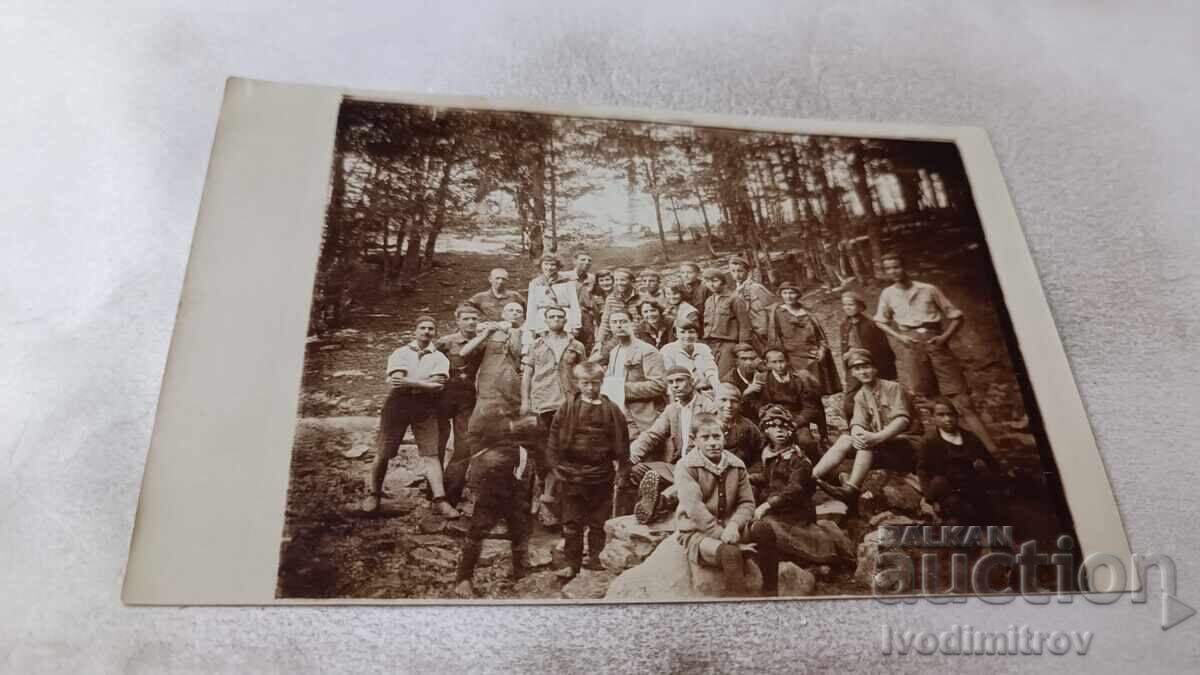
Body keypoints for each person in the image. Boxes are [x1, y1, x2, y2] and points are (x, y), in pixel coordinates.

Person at [873, 252, 998, 454]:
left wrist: (945, 337)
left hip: (936, 344)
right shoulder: (888, 294)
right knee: (928, 399)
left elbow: (956, 316)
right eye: (888, 269)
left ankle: (992, 452)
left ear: (904, 267)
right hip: (912, 348)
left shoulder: (928, 289)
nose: (893, 272)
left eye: (896, 267)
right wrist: (900, 337)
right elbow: (880, 320)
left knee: (962, 400)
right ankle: (949, 450)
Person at [673, 412, 780, 597]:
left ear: (724, 436)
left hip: (730, 527)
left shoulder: (736, 465)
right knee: (731, 554)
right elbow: (694, 509)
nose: (713, 442)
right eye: (705, 438)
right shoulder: (686, 467)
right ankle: (734, 605)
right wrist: (722, 535)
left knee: (765, 530)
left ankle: (770, 593)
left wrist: (733, 525)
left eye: (717, 436)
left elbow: (747, 502)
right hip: (698, 532)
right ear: (694, 439)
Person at [364, 316, 457, 518]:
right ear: (415, 331)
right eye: (422, 328)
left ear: (434, 333)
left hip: (425, 406)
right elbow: (397, 382)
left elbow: (438, 385)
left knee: (431, 453)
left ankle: (440, 501)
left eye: (431, 329)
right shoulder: (401, 353)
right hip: (397, 404)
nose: (426, 332)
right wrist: (425, 382)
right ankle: (374, 494)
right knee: (384, 450)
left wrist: (411, 381)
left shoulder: (439, 357)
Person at [812, 348, 924, 514]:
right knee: (845, 439)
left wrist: (875, 437)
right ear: (852, 373)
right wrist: (858, 433)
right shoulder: (861, 395)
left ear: (875, 368)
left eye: (866, 366)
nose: (863, 371)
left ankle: (851, 489)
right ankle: (810, 478)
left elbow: (902, 421)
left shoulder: (893, 388)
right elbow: (857, 423)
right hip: (885, 446)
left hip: (907, 445)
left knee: (866, 444)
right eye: (857, 368)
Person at [545, 362, 630, 578]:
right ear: (577, 383)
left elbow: (623, 441)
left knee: (598, 521)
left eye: (595, 383)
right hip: (571, 474)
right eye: (585, 383)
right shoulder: (568, 406)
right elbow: (554, 436)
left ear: (602, 383)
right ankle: (572, 564)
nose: (591, 388)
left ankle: (595, 559)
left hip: (601, 475)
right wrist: (556, 466)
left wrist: (622, 470)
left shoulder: (611, 409)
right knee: (572, 522)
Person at [454, 413, 539, 598]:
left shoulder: (526, 444)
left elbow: (538, 452)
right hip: (491, 487)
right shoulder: (494, 413)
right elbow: (478, 434)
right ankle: (464, 577)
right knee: (478, 530)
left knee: (520, 529)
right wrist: (512, 426)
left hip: (517, 488)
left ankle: (520, 570)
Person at [591, 309, 667, 515]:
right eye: (614, 322)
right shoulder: (615, 352)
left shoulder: (647, 351)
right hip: (621, 419)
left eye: (623, 321)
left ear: (633, 323)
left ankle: (648, 515)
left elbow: (659, 385)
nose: (618, 326)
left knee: (644, 469)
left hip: (643, 419)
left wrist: (622, 389)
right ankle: (621, 518)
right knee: (622, 471)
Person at [750, 406, 845, 565]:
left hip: (795, 511)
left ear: (791, 431)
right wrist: (749, 478)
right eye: (773, 426)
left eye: (784, 427)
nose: (779, 431)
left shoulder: (799, 459)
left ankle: (809, 557)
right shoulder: (770, 453)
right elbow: (767, 477)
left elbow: (795, 489)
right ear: (765, 430)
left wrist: (767, 505)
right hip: (776, 504)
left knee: (768, 526)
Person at [521, 305, 587, 517]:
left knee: (562, 449)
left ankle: (551, 498)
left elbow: (583, 374)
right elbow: (527, 375)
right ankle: (540, 491)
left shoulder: (576, 345)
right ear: (546, 320)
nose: (556, 319)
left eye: (560, 316)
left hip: (567, 403)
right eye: (552, 317)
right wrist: (525, 401)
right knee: (540, 450)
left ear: (565, 320)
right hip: (541, 402)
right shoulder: (536, 345)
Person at [628, 367, 717, 523]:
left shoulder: (708, 407)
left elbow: (710, 444)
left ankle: (658, 504)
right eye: (671, 382)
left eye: (680, 380)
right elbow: (652, 435)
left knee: (685, 483)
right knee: (636, 469)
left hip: (701, 467)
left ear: (692, 381)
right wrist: (630, 457)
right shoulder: (672, 409)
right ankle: (656, 501)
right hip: (677, 466)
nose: (675, 385)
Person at [918, 396, 1000, 524]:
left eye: (951, 415)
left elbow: (990, 462)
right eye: (941, 415)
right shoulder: (930, 441)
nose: (947, 419)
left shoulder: (970, 438)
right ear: (933, 418)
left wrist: (987, 472)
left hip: (971, 486)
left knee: (989, 514)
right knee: (955, 517)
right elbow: (923, 470)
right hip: (947, 490)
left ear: (957, 417)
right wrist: (930, 499)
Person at [434, 304, 485, 507]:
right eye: (466, 319)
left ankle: (452, 492)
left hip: (468, 399)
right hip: (443, 397)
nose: (471, 322)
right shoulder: (446, 342)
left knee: (464, 445)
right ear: (457, 321)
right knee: (437, 442)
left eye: (474, 318)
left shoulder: (483, 342)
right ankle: (433, 489)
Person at [767, 281, 840, 397]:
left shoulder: (807, 312)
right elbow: (775, 338)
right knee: (799, 391)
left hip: (812, 357)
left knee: (815, 392)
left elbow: (820, 336)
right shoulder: (777, 313)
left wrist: (822, 350)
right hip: (792, 358)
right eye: (785, 293)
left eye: (792, 293)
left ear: (798, 294)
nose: (788, 296)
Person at [837, 290, 897, 423]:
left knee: (880, 397)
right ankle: (853, 426)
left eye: (851, 305)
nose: (847, 308)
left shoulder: (871, 324)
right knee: (849, 400)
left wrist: (887, 372)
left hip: (872, 366)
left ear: (859, 306)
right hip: (854, 367)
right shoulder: (844, 326)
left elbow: (884, 349)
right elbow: (844, 350)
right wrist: (847, 366)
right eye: (845, 305)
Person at [759, 348, 828, 460]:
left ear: (787, 361)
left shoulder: (801, 378)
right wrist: (769, 418)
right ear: (767, 364)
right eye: (774, 362)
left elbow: (810, 408)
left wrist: (795, 423)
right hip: (773, 418)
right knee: (762, 441)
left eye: (781, 361)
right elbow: (761, 405)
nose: (779, 366)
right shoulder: (763, 379)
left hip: (797, 418)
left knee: (806, 441)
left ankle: (814, 467)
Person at [461, 301, 525, 420]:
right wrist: (485, 333)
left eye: (519, 311)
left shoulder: (527, 334)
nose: (514, 313)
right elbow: (464, 352)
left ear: (523, 317)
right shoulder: (490, 330)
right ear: (503, 314)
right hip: (489, 382)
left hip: (513, 383)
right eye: (510, 310)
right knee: (486, 417)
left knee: (511, 417)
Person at [702, 267, 752, 377]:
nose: (711, 285)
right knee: (709, 375)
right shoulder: (709, 301)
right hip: (710, 344)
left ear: (723, 282)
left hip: (728, 344)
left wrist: (742, 348)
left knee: (724, 376)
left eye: (715, 281)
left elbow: (745, 326)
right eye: (708, 281)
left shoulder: (734, 299)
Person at [728, 254, 777, 351]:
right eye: (733, 271)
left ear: (747, 271)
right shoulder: (735, 292)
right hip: (749, 332)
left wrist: (768, 332)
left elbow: (772, 310)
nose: (736, 275)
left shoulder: (756, 288)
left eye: (740, 271)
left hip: (762, 332)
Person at [713, 383, 766, 470]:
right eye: (723, 400)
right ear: (714, 401)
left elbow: (759, 455)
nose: (729, 405)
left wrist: (748, 475)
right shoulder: (704, 424)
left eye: (734, 401)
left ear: (740, 404)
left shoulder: (748, 427)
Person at [660, 321, 720, 393]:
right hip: (681, 392)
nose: (687, 336)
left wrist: (718, 389)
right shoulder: (668, 350)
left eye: (691, 332)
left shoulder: (703, 348)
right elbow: (670, 377)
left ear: (697, 334)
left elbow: (710, 370)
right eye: (682, 332)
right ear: (676, 334)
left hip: (706, 390)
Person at [595, 267, 640, 348]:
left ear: (631, 281)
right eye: (616, 280)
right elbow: (605, 322)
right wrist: (599, 342)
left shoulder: (641, 297)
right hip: (618, 338)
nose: (619, 283)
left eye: (623, 280)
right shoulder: (611, 298)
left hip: (639, 337)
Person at [720, 343, 766, 422]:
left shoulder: (763, 376)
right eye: (744, 359)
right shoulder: (729, 381)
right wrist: (745, 393)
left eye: (752, 359)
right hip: (740, 419)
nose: (749, 363)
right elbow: (727, 407)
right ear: (736, 361)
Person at [525, 255, 569, 334]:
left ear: (558, 266)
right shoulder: (535, 283)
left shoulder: (567, 282)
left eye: (552, 264)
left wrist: (575, 325)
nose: (549, 267)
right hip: (542, 317)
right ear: (541, 265)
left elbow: (574, 304)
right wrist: (531, 326)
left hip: (562, 315)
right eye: (546, 264)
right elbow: (531, 306)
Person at [563, 249, 597, 352]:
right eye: (583, 260)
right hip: (569, 314)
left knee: (587, 343)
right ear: (574, 261)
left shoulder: (592, 278)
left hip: (587, 315)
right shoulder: (565, 276)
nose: (587, 262)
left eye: (589, 260)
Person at [678, 261, 710, 328]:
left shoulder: (705, 288)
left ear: (698, 274)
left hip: (703, 324)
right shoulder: (678, 288)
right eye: (682, 273)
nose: (685, 275)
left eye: (689, 272)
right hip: (684, 326)